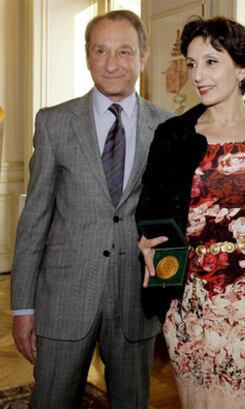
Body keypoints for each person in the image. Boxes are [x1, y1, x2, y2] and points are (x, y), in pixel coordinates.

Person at [11, 10, 172, 408]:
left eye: (123, 51)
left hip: (135, 301)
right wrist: (23, 307)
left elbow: (172, 219)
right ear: (87, 56)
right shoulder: (54, 123)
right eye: (100, 51)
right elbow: (35, 221)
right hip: (64, 298)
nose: (112, 63)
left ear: (143, 56)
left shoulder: (167, 128)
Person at [136, 16, 245, 409]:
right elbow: (151, 209)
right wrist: (148, 241)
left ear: (241, 68)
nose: (197, 75)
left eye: (210, 61)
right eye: (191, 63)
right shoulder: (173, 136)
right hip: (189, 302)